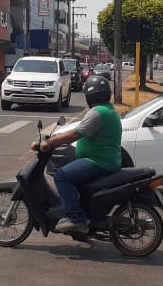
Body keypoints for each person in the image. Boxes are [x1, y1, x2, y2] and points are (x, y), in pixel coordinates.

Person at [34, 75, 122, 234]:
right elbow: (79, 129)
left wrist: (50, 142)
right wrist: (56, 138)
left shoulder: (97, 112)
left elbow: (75, 134)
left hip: (99, 161)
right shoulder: (108, 109)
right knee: (70, 172)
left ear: (89, 95)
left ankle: (76, 219)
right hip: (105, 160)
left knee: (61, 176)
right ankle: (80, 213)